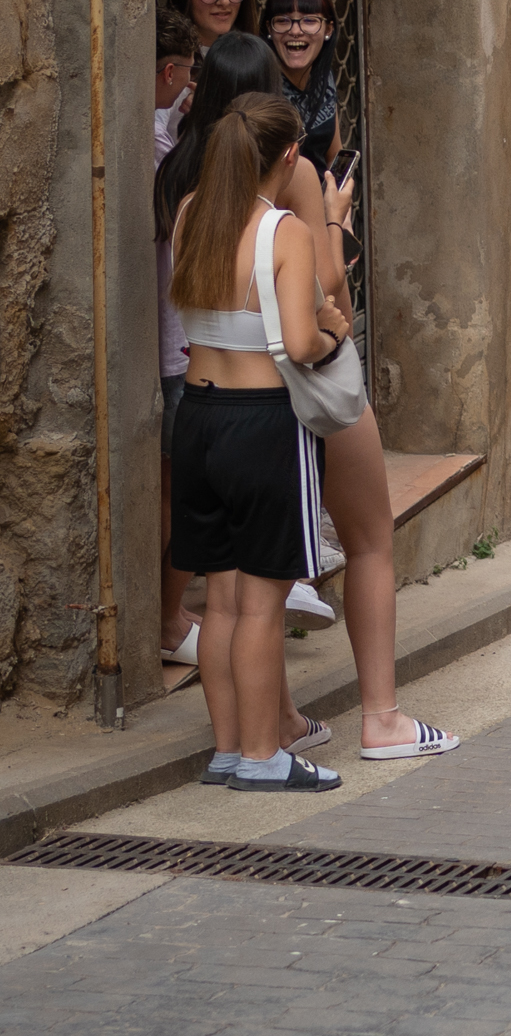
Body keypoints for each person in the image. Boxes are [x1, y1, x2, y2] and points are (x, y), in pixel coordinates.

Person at [156, 35, 459, 761]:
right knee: (363, 542)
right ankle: (379, 718)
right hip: (286, 397)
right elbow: (322, 298)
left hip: (204, 403)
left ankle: (255, 736)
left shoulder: (185, 184)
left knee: (227, 593)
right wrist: (334, 221)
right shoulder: (289, 184)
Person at [167, 94, 350, 791]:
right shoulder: (286, 231)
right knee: (263, 603)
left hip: (198, 417)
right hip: (264, 423)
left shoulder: (191, 213)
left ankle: (226, 750)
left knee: (219, 599)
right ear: (289, 155)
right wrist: (333, 331)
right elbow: (300, 343)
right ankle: (262, 754)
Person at [154, 11, 200, 664]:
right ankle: (168, 619)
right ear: (170, 71)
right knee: (182, 491)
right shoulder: (161, 147)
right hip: (177, 346)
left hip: (171, 343)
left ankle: (173, 613)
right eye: (188, 73)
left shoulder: (160, 134)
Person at [262, 0, 339, 171]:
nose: (295, 31)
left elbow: (334, 156)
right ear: (269, 28)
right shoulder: (259, 83)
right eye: (283, 20)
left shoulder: (324, 77)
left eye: (309, 20)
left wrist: (341, 185)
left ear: (328, 29)